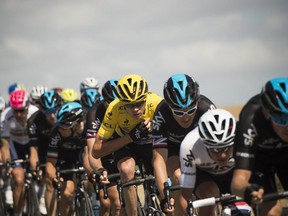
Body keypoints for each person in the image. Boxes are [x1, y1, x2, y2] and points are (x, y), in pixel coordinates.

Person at [92, 74, 163, 216]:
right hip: (127, 146)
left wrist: (156, 126)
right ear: (122, 103)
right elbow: (96, 150)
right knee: (126, 170)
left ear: (146, 97)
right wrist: (131, 136)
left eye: (139, 103)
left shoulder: (156, 102)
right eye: (130, 105)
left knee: (164, 195)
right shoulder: (114, 109)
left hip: (151, 145)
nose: (136, 109)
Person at [152, 73, 216, 214]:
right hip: (173, 150)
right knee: (178, 177)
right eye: (179, 112)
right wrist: (164, 197)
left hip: (200, 148)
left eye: (190, 110)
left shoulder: (206, 109)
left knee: (210, 192)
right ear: (169, 107)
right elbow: (159, 160)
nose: (186, 117)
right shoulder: (161, 115)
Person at [231, 77, 288, 216]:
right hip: (259, 159)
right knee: (272, 211)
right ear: (266, 112)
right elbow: (238, 182)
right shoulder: (251, 119)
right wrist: (249, 190)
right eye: (281, 119)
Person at [179, 109, 251, 215]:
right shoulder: (189, 145)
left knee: (241, 210)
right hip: (204, 175)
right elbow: (185, 195)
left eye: (227, 148)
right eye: (216, 149)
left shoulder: (244, 138)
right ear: (205, 144)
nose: (222, 155)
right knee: (209, 194)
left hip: (232, 172)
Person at [86, 79, 123, 216]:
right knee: (117, 203)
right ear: (103, 100)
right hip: (104, 151)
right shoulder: (94, 113)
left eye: (117, 102)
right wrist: (99, 169)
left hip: (124, 148)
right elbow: (92, 152)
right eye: (109, 102)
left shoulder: (127, 108)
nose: (113, 106)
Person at [1, 89, 38, 215]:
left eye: (21, 110)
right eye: (15, 110)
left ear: (27, 106)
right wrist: (7, 163)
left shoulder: (35, 113)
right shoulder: (6, 116)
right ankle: (17, 212)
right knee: (18, 179)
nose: (18, 114)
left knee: (41, 172)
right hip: (16, 146)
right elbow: (5, 144)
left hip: (32, 144)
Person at [45, 101, 86, 216]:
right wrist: (54, 178)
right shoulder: (55, 133)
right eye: (59, 125)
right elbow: (50, 163)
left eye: (64, 127)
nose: (60, 129)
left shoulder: (87, 129)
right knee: (67, 193)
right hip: (65, 159)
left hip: (83, 156)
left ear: (77, 125)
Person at [27, 90, 63, 215]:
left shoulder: (65, 116)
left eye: (54, 111)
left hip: (63, 150)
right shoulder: (33, 121)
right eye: (48, 112)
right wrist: (36, 168)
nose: (52, 116)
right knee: (48, 178)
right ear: (42, 111)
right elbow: (33, 149)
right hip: (44, 151)